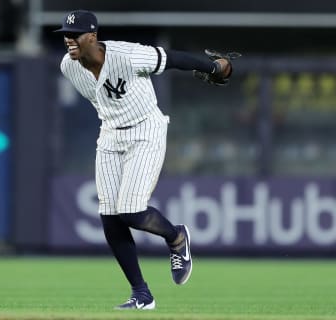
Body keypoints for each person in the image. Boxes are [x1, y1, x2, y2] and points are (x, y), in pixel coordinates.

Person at [54, 10, 235, 310]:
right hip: (110, 134)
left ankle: (176, 238)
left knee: (131, 211)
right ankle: (142, 294)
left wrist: (213, 66)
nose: (69, 40)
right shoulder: (68, 67)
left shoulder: (127, 55)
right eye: (65, 35)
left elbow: (171, 59)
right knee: (109, 218)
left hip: (145, 129)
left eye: (75, 34)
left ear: (93, 36)